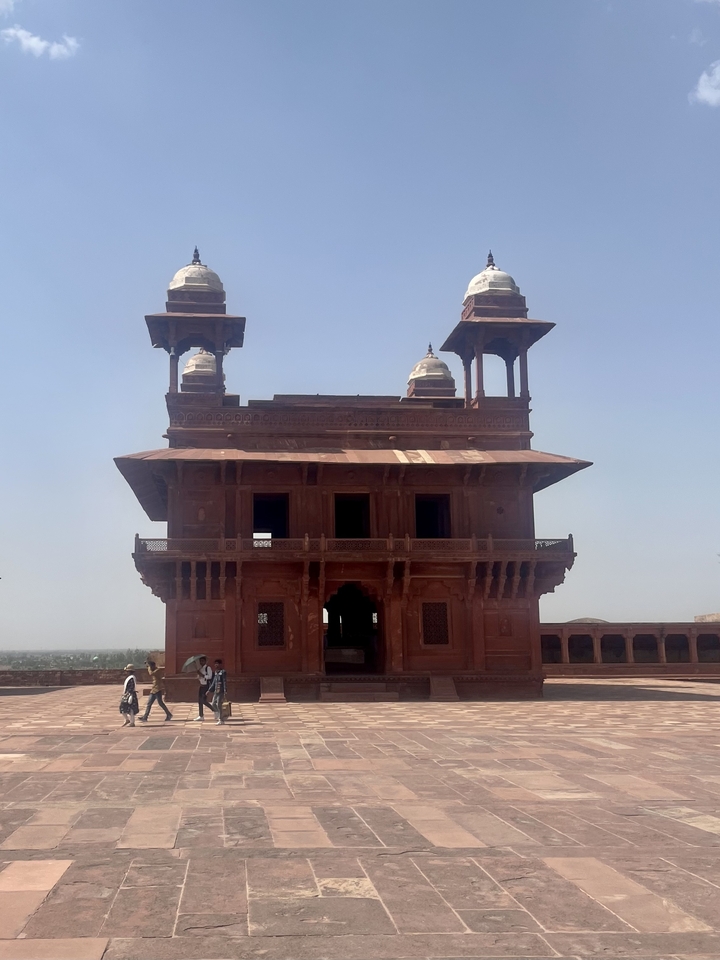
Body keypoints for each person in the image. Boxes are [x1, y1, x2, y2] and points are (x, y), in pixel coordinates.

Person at [208, 658, 227, 725]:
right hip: (216, 691)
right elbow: (213, 682)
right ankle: (219, 714)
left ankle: (221, 719)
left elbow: (224, 681)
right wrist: (209, 690)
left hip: (221, 690)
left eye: (217, 663)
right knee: (213, 704)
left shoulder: (223, 672)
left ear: (220, 664)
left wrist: (225, 690)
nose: (216, 665)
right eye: (215, 664)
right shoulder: (216, 672)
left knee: (219, 704)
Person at [194, 656, 214, 721]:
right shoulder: (200, 669)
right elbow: (199, 678)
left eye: (202, 661)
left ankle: (215, 710)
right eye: (200, 661)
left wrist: (202, 675)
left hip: (206, 686)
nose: (201, 662)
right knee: (200, 701)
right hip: (201, 686)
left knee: (203, 701)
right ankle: (201, 715)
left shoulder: (208, 668)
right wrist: (198, 675)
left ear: (205, 661)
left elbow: (210, 677)